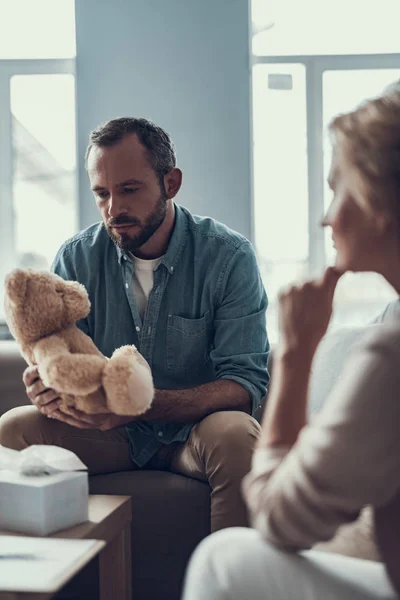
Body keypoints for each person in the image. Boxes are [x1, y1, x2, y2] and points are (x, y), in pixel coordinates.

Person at [182, 82, 400, 599]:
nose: (327, 216)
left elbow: (280, 518)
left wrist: (297, 353)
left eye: (337, 188)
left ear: (380, 201)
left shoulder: (389, 355)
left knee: (223, 559)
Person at [0, 117, 269, 532]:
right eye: (101, 193)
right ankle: (40, 586)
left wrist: (139, 405)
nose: (113, 209)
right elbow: (67, 358)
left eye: (128, 190)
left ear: (171, 183)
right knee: (12, 429)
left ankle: (230, 584)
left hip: (195, 434)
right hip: (109, 436)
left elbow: (245, 384)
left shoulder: (229, 257)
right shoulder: (76, 259)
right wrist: (50, 389)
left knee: (237, 435)